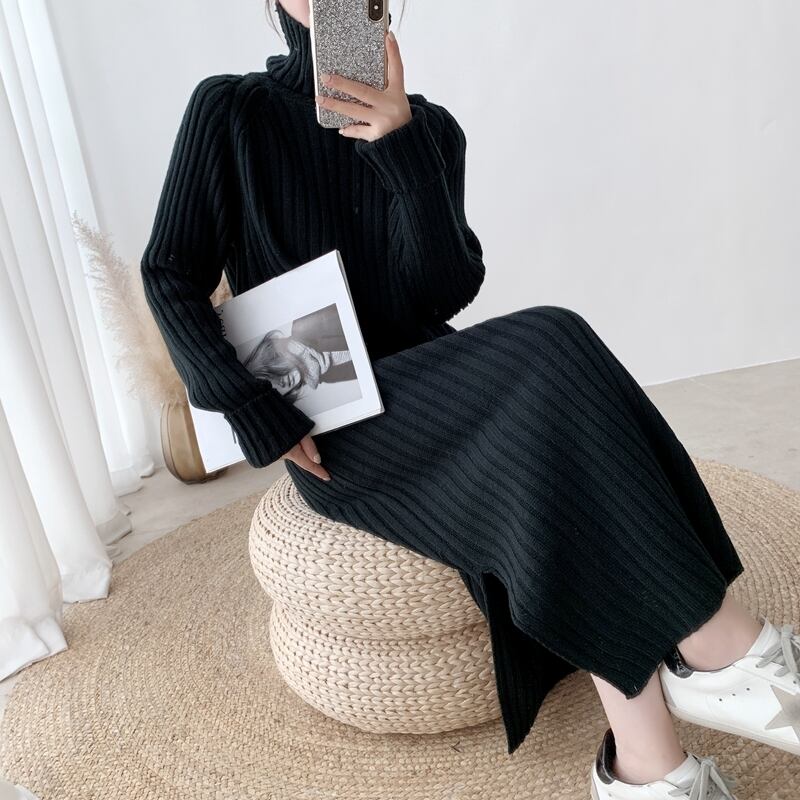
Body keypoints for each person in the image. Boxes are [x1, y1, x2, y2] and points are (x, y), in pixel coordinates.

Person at [139, 2, 800, 797]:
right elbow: (168, 273)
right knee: (553, 344)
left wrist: (400, 145)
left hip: (435, 383)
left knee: (559, 428)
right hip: (328, 418)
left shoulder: (431, 129)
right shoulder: (230, 111)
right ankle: (723, 650)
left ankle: (650, 768)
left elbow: (443, 290)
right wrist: (248, 406)